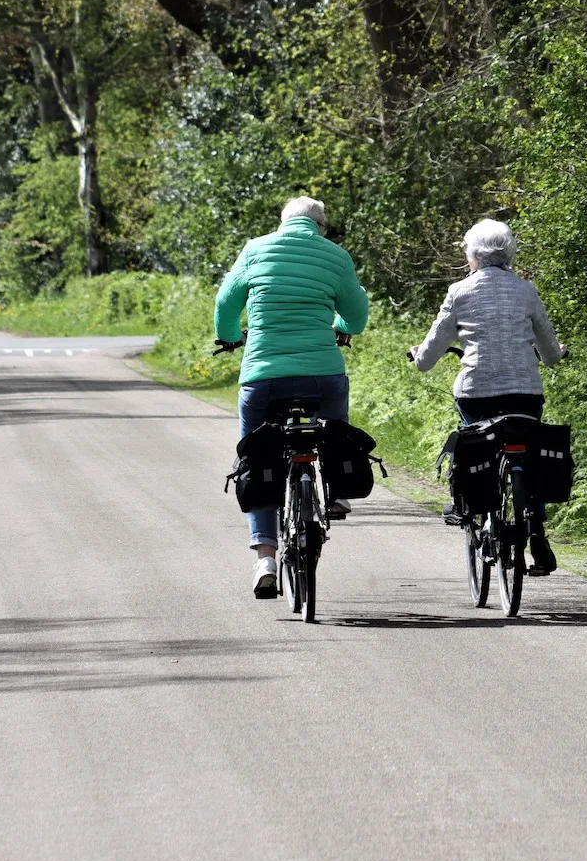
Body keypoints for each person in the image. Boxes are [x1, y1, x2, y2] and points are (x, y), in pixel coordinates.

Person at [215, 197, 370, 598]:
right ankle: (336, 493)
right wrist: (340, 326)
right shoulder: (335, 256)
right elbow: (357, 313)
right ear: (321, 226)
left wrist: (231, 337)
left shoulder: (255, 249)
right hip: (323, 375)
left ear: (282, 222)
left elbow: (226, 302)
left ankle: (265, 557)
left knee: (256, 455)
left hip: (264, 377)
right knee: (335, 429)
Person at [408, 218, 566, 575]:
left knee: (475, 443)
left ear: (475, 255)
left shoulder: (459, 292)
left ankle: (466, 503)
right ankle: (537, 532)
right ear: (509, 253)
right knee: (531, 453)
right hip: (525, 392)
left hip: (476, 392)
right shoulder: (526, 290)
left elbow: (429, 354)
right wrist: (557, 353)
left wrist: (418, 356)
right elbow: (551, 352)